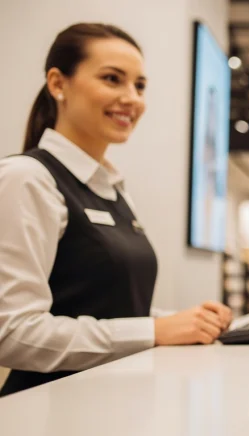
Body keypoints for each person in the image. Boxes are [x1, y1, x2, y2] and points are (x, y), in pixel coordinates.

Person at [0, 23, 233, 397]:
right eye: (113, 79)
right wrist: (156, 331)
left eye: (139, 86)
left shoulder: (112, 188)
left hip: (115, 403)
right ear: (58, 84)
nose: (132, 98)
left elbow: (104, 309)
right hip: (45, 413)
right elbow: (12, 334)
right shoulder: (27, 179)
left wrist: (183, 323)